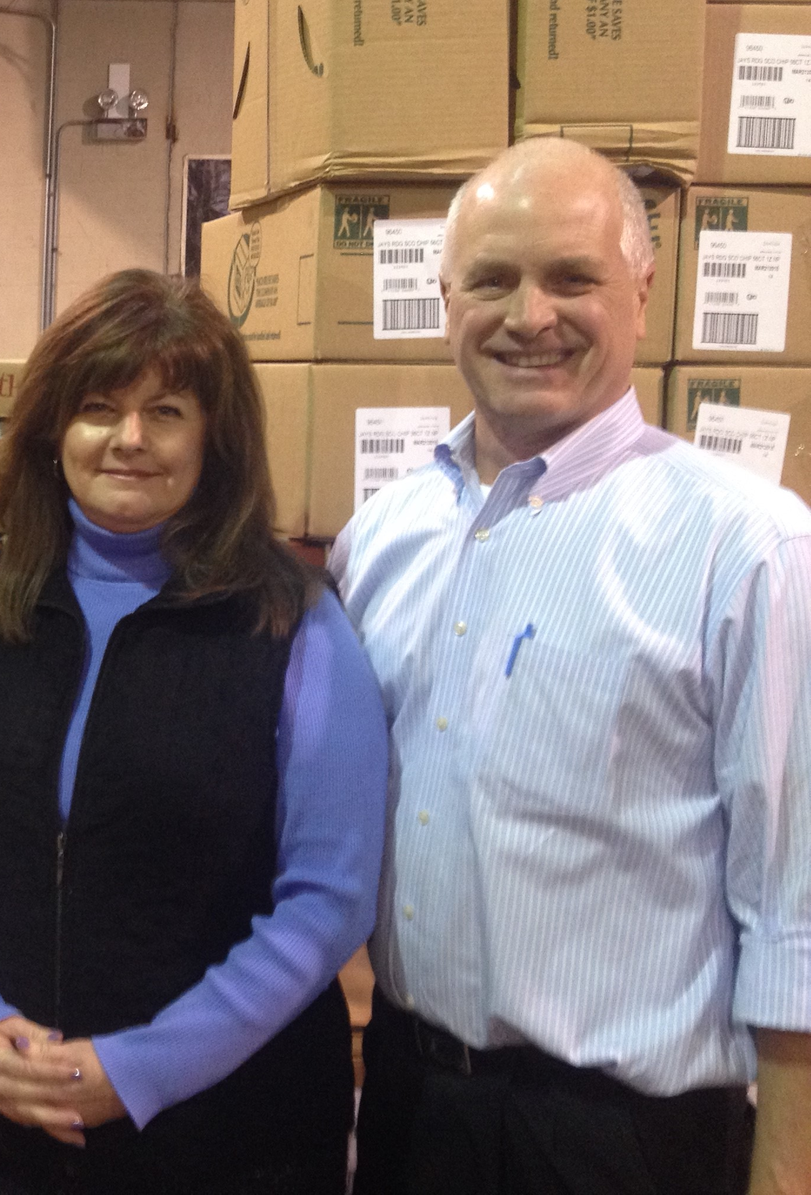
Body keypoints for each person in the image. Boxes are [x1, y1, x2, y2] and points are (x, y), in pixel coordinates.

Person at [333, 137, 811, 1195]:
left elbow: (797, 912)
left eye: (572, 278)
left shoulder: (748, 550)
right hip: (416, 1112)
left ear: (644, 290)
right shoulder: (382, 539)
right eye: (492, 280)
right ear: (444, 297)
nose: (530, 315)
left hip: (627, 1143)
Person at [0, 269, 389, 1194]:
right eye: (97, 406)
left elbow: (328, 900)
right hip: (7, 1127)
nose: (128, 438)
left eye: (165, 410)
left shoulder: (293, 622)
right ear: (53, 431)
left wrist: (137, 1070)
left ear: (215, 437)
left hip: (233, 1139)